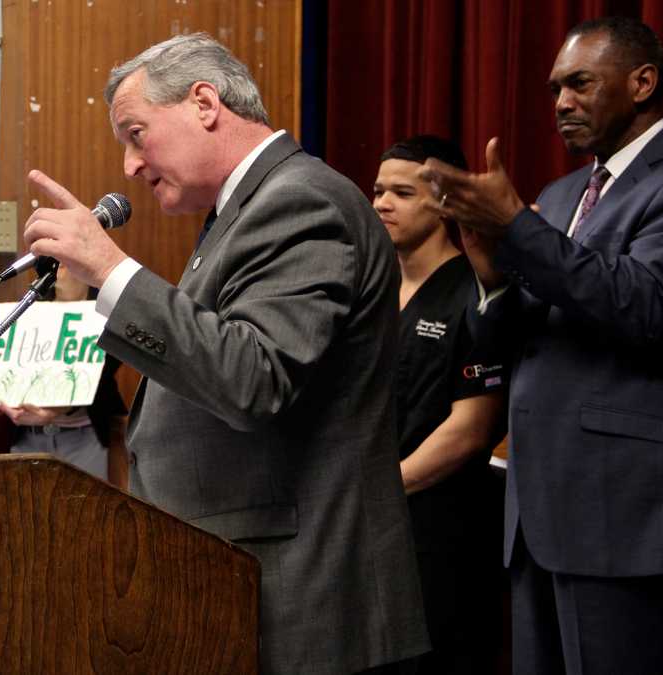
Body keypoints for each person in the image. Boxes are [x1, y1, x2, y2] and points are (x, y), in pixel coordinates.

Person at [22, 33, 428, 674]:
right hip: (238, 575)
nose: (129, 165)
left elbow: (253, 378)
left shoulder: (300, 200)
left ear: (204, 103)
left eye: (136, 133)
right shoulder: (242, 211)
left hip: (303, 594)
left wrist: (111, 268)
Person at [421, 17, 663, 674]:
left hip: (625, 517)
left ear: (642, 82)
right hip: (536, 517)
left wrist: (517, 228)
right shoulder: (559, 194)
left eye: (579, 84)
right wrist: (489, 271)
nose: (561, 104)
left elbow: (644, 303)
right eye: (551, 90)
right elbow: (517, 339)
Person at [373, 136, 506, 674]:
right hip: (371, 529)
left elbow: (472, 429)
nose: (382, 203)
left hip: (442, 537)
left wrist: (379, 489)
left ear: (444, 202)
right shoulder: (371, 288)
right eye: (378, 190)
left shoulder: (475, 292)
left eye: (402, 193)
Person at [0, 265, 127, 480]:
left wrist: (59, 408)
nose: (59, 263)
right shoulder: (29, 307)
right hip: (28, 438)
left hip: (85, 438)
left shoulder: (111, 312)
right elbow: (10, 374)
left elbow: (105, 371)